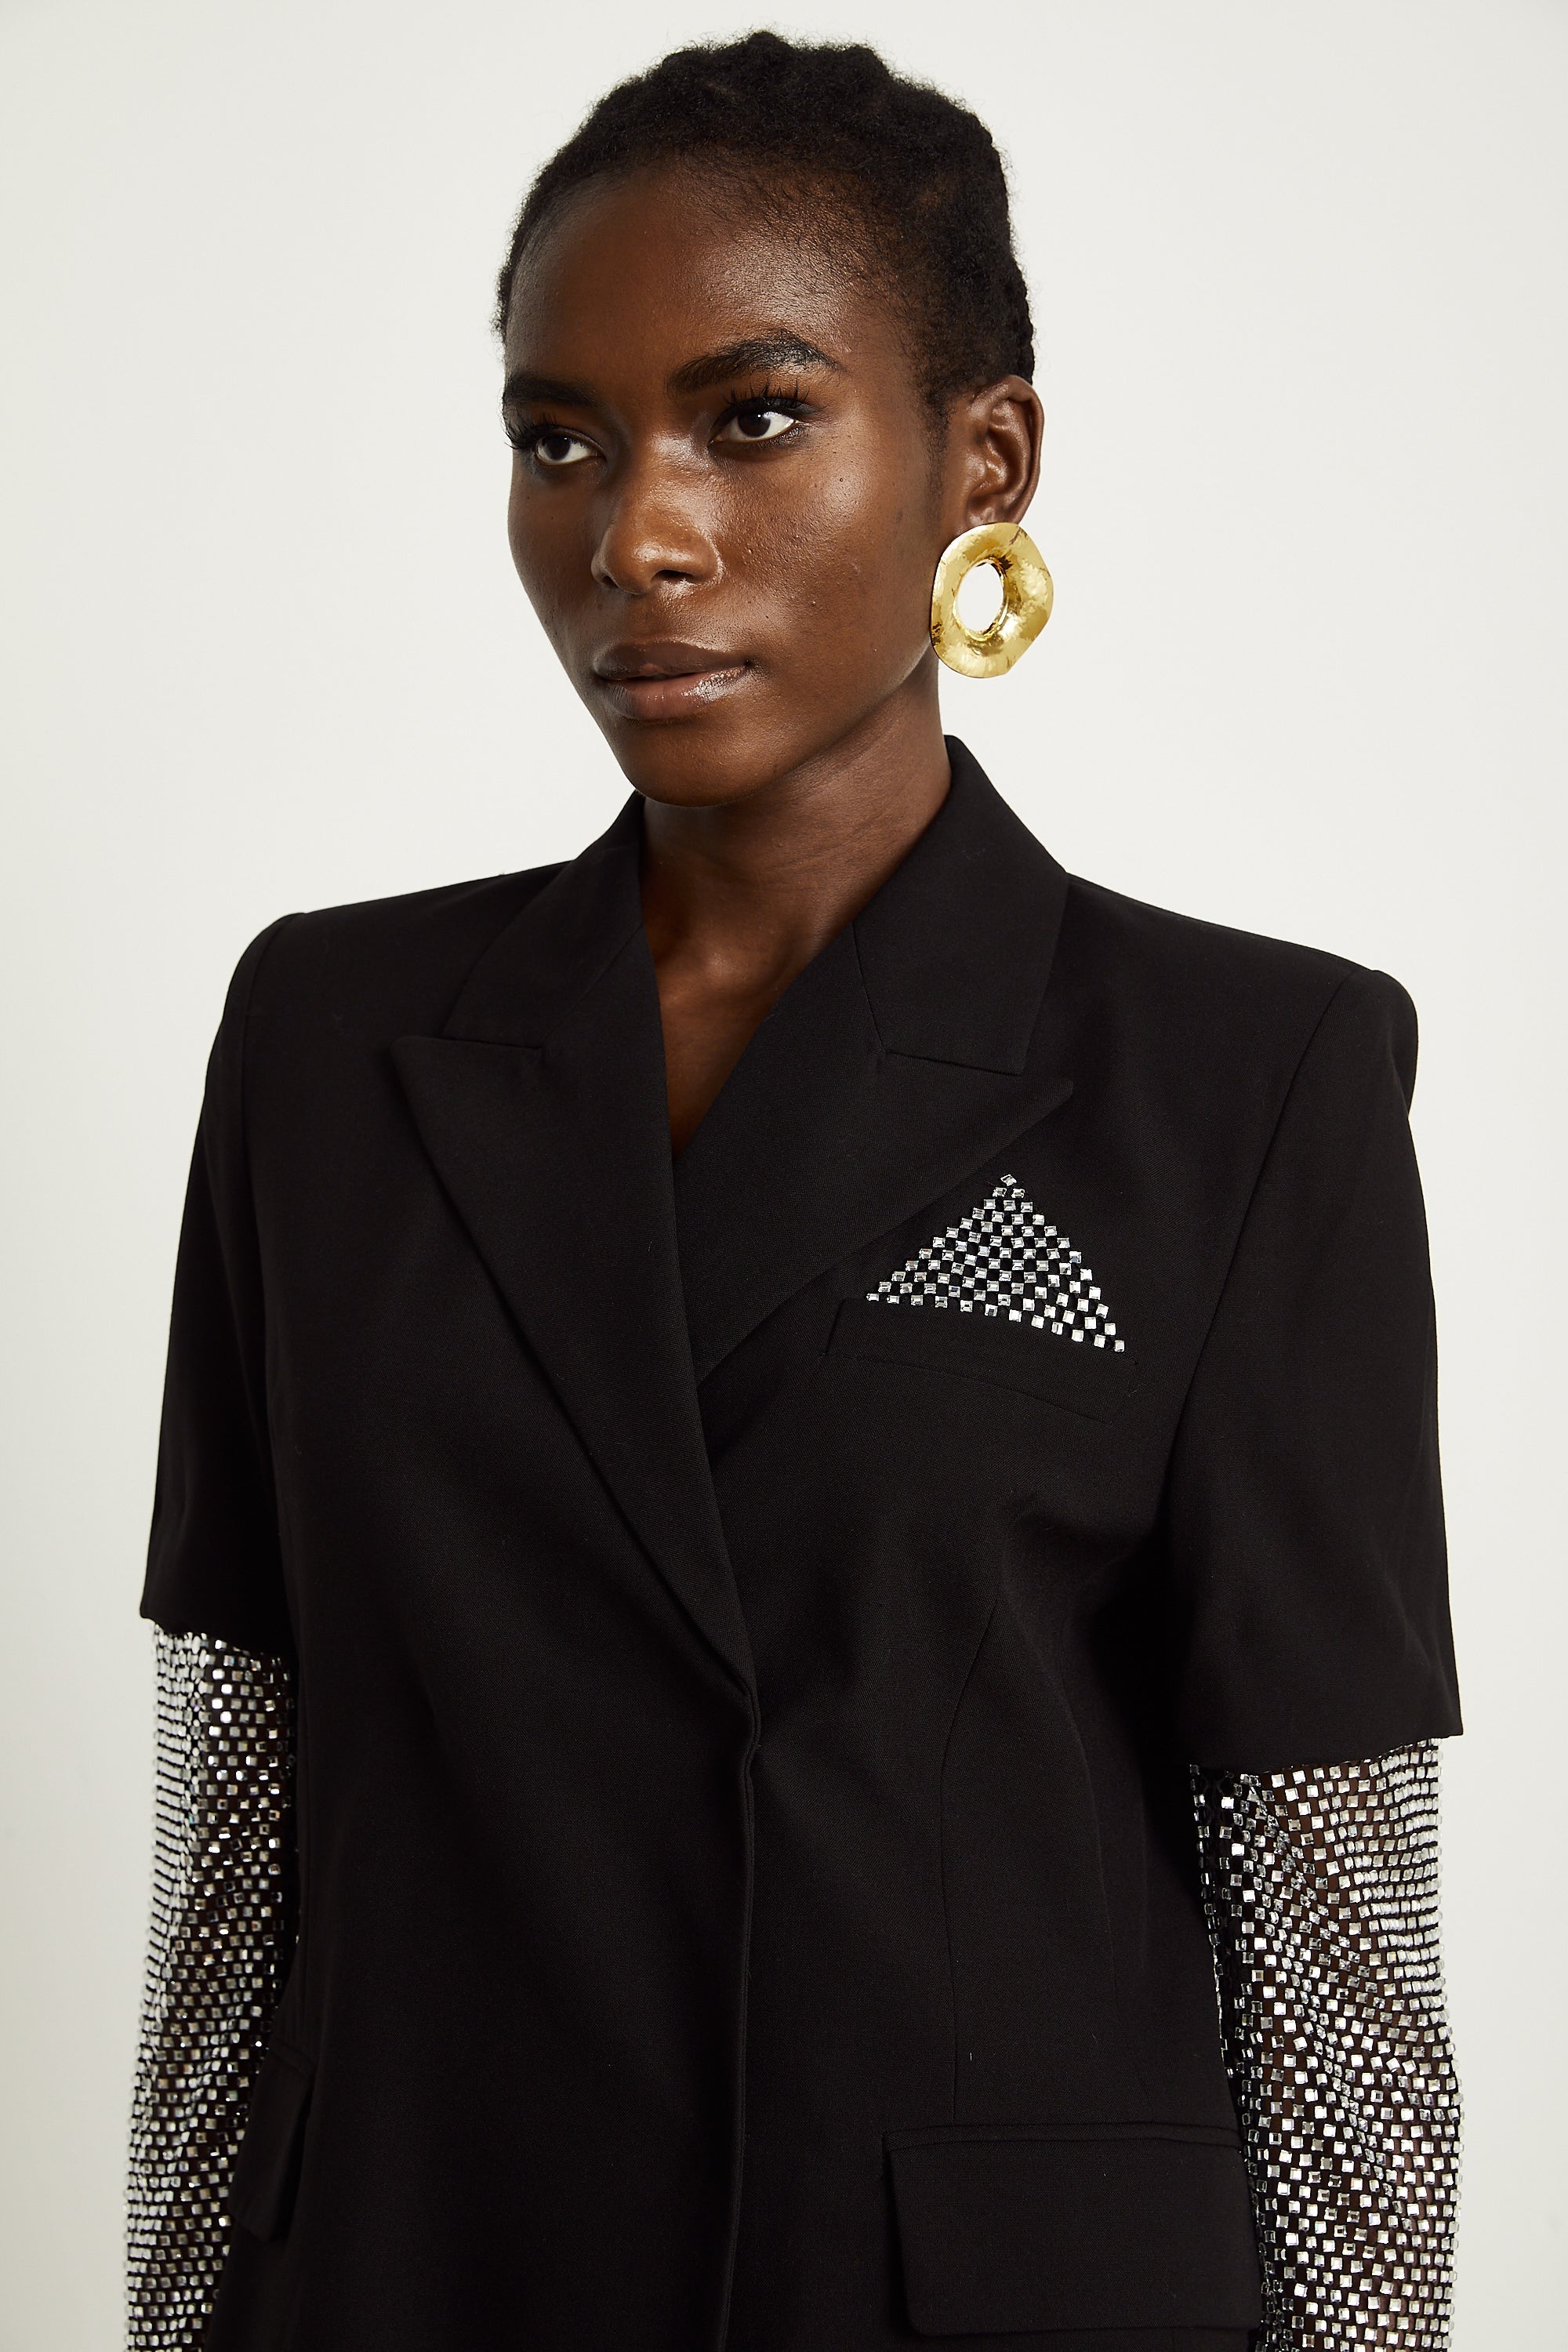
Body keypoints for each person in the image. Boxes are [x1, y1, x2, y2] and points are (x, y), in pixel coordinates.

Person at [125, 33, 1461, 2352]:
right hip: (430, 2274)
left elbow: (1330, 1922)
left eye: (751, 418)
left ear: (984, 461)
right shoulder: (328, 1045)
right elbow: (240, 1820)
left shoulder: (1250, 1076)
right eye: (560, 438)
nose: (635, 535)